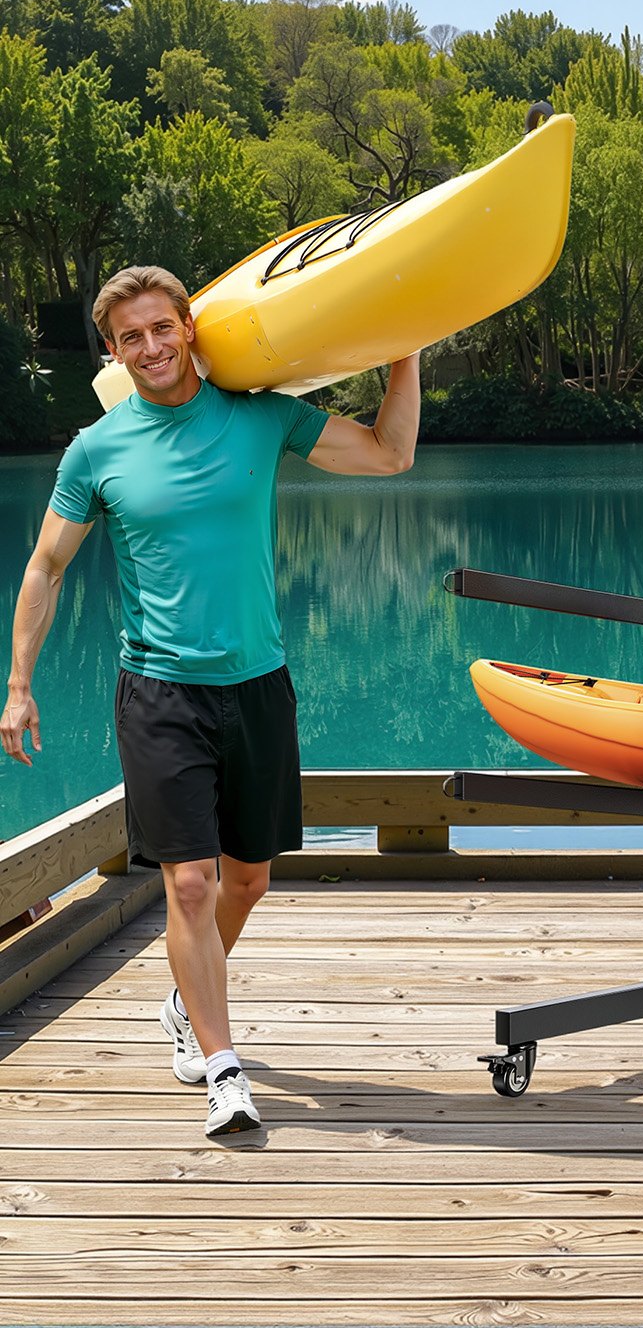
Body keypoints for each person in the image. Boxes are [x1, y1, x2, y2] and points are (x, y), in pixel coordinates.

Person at [2, 265, 422, 1139]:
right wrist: (19, 685)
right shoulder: (96, 451)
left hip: (258, 684)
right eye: (131, 337)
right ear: (113, 351)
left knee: (248, 877)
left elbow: (390, 454)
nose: (151, 347)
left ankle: (184, 1002)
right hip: (159, 690)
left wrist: (405, 353)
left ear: (189, 327)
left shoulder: (261, 417)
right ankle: (224, 1070)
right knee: (189, 884)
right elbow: (45, 567)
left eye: (162, 327)